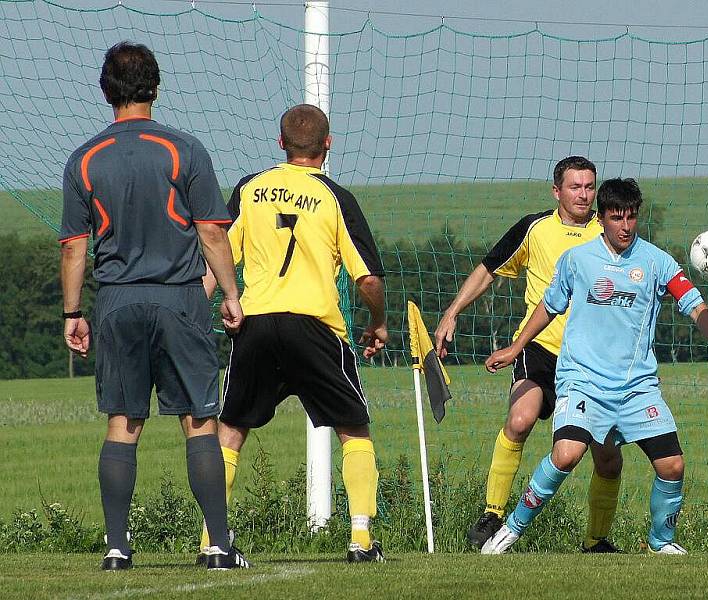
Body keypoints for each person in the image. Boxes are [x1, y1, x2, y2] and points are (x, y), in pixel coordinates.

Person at [59, 42, 248, 571]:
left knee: (124, 421)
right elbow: (212, 232)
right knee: (198, 421)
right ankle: (217, 545)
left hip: (116, 301)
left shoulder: (85, 158)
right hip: (180, 299)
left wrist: (73, 313)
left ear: (105, 91)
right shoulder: (185, 150)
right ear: (156, 88)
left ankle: (116, 548)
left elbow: (75, 245)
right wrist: (231, 295)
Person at [482, 177, 708, 555]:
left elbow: (695, 305)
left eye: (632, 217)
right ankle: (511, 529)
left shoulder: (656, 261)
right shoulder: (578, 260)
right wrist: (515, 347)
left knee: (672, 466)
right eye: (616, 217)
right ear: (601, 218)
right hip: (583, 381)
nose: (625, 226)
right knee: (566, 455)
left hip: (636, 387)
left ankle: (661, 542)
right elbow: (548, 306)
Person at [199, 104, 388, 563]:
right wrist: (378, 320)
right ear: (328, 144)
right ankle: (361, 541)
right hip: (315, 327)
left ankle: (212, 543)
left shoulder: (251, 188)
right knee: (353, 430)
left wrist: (200, 309)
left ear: (281, 143)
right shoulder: (335, 197)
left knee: (230, 431)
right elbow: (367, 280)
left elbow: (217, 257)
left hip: (257, 323)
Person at [435, 156, 625, 552]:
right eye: (575, 187)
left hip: (592, 361)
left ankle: (596, 540)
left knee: (607, 455)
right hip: (537, 348)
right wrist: (452, 312)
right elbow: (489, 268)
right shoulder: (534, 228)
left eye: (590, 187)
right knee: (520, 420)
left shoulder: (609, 232)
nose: (584, 195)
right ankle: (492, 514)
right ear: (556, 191)